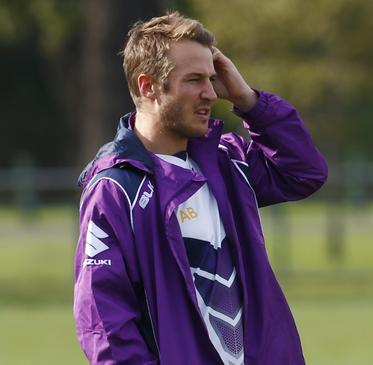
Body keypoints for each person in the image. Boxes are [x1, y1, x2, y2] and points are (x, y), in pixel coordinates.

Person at [73, 12, 327, 365]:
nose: (211, 92)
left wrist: (249, 100)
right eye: (194, 80)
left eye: (212, 78)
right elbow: (103, 319)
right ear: (148, 87)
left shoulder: (226, 160)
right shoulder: (116, 187)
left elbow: (304, 172)